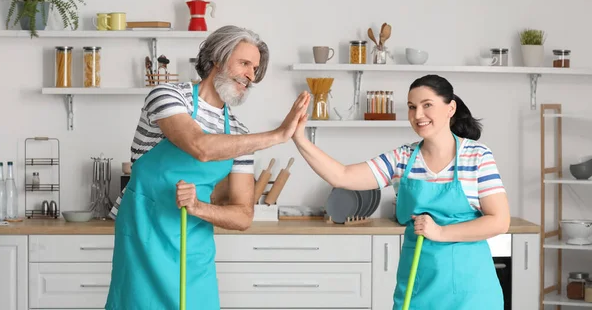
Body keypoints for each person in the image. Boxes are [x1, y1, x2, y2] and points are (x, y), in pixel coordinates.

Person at [105, 25, 310, 310]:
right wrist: (276, 135)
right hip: (144, 236)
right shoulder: (167, 96)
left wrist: (199, 208)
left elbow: (242, 216)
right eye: (244, 63)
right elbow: (199, 146)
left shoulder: (239, 132)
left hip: (194, 245)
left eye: (255, 68)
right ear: (217, 59)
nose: (251, 75)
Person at [291, 74, 510, 310]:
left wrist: (440, 232)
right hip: (419, 285)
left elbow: (499, 221)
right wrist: (299, 139)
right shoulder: (403, 159)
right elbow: (342, 175)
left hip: (471, 293)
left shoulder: (477, 156)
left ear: (450, 108)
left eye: (427, 105)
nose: (417, 115)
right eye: (412, 107)